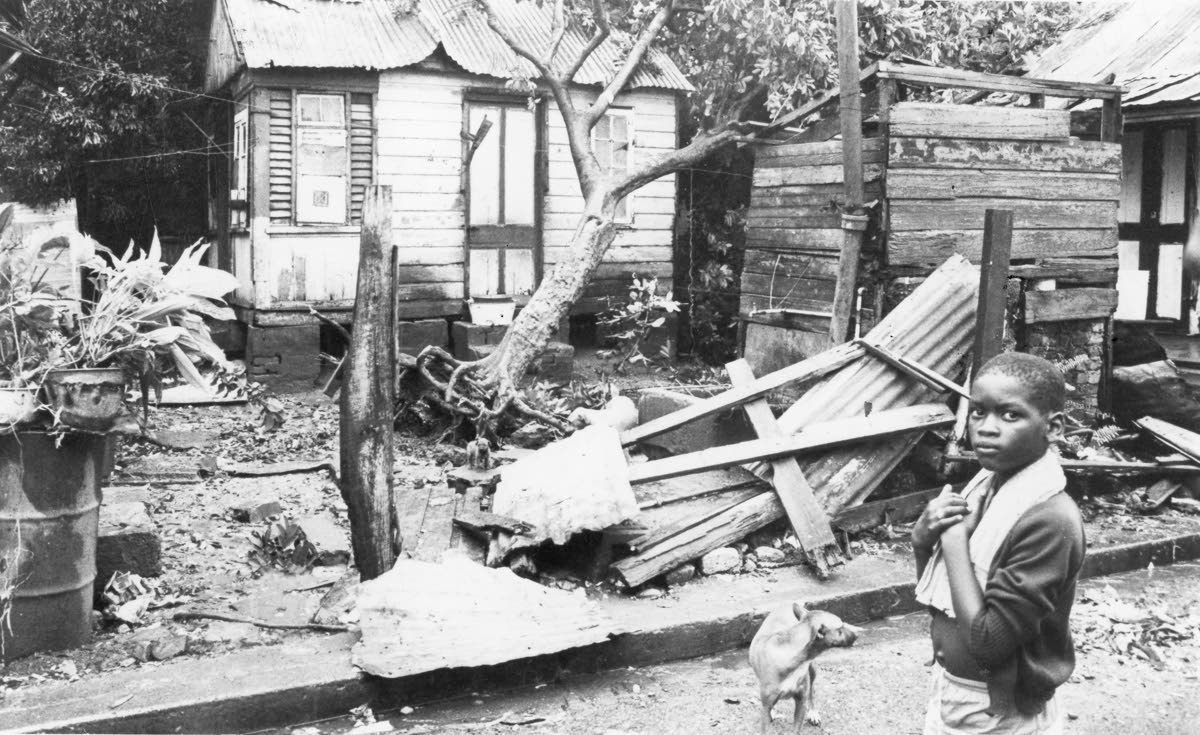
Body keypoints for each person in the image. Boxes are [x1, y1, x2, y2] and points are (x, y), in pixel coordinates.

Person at [911, 352, 1086, 734]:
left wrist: (953, 540)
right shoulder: (985, 489)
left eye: (1010, 415)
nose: (987, 428)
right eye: (978, 412)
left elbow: (989, 644)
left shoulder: (1049, 519)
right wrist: (922, 543)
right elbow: (943, 601)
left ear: (1053, 427)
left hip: (1002, 714)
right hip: (952, 693)